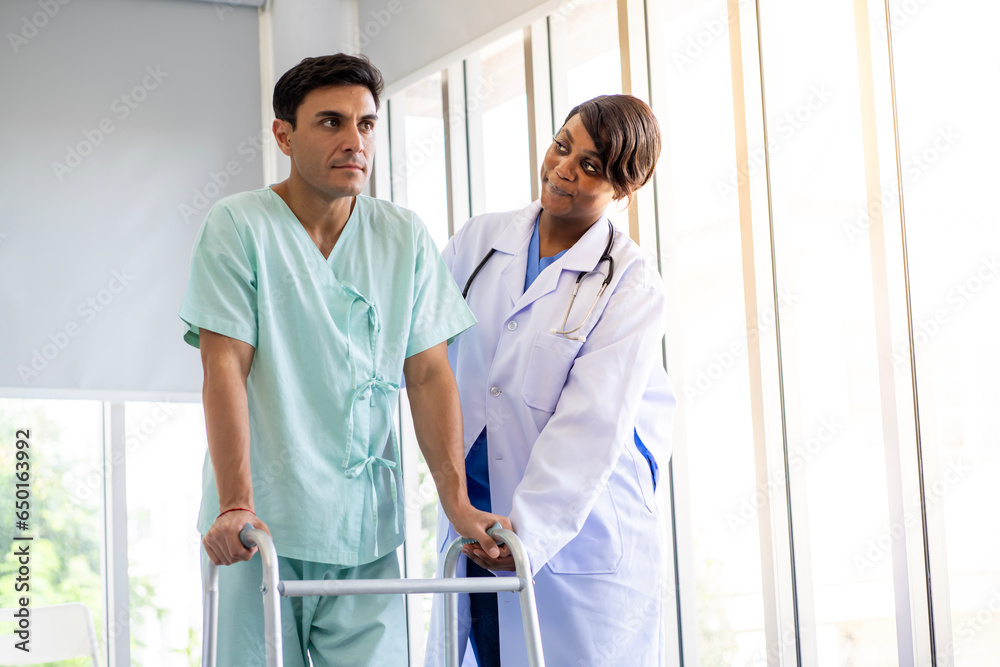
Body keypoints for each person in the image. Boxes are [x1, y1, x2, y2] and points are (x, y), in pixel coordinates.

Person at [179, 54, 509, 667]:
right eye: (330, 122)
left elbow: (429, 374)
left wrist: (456, 503)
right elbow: (224, 368)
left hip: (364, 528)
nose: (353, 141)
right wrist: (234, 505)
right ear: (285, 135)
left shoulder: (403, 237)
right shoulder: (239, 226)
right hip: (258, 528)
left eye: (366, 124)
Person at [427, 94, 675, 666]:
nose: (564, 168)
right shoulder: (478, 244)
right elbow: (422, 356)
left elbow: (592, 424)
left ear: (624, 188)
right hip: (477, 521)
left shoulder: (630, 285)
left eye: (591, 166)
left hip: (573, 548)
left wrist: (529, 535)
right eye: (562, 147)